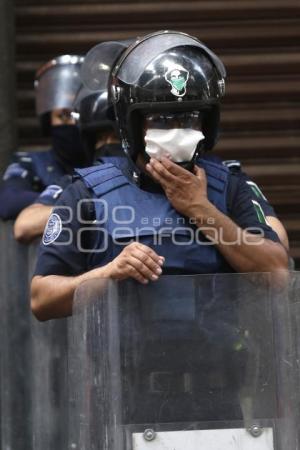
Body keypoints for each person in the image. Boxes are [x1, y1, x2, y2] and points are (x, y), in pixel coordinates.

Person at [31, 31, 288, 321]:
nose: (177, 129)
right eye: (160, 120)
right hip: (122, 365)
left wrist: (199, 208)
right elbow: (42, 299)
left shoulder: (228, 186)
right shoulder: (88, 192)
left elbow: (277, 273)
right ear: (132, 124)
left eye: (190, 117)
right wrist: (108, 274)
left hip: (218, 365)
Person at [0, 55, 92, 242]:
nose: (72, 123)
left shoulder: (108, 162)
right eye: (64, 116)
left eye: (78, 115)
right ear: (48, 121)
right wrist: (80, 203)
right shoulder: (29, 162)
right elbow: (8, 201)